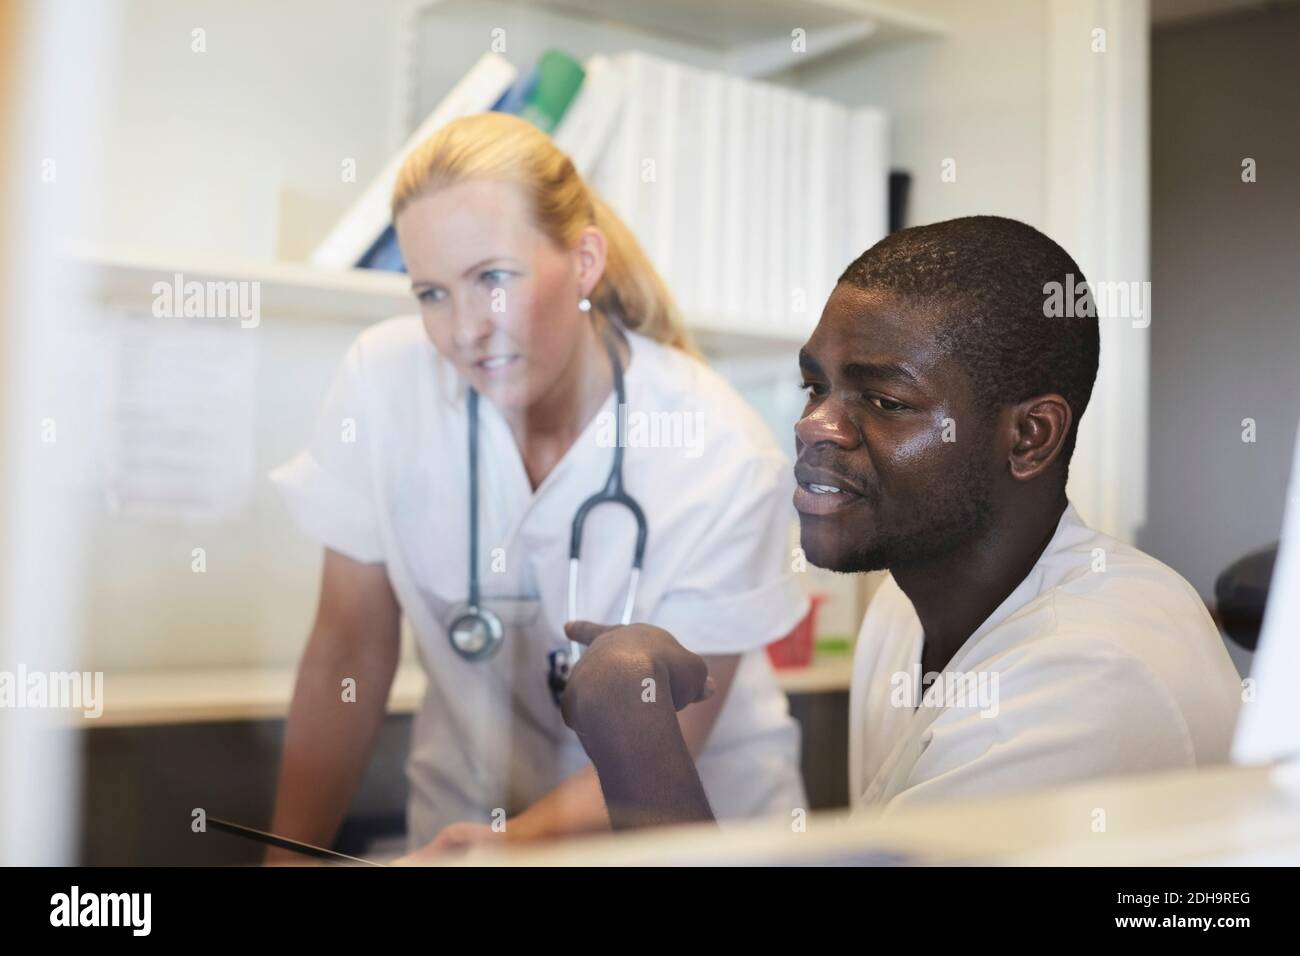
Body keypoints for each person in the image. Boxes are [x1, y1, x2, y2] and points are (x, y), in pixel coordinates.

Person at [559, 215, 1243, 829]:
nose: (812, 425)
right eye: (815, 387)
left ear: (1030, 436)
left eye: (885, 400)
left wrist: (633, 731)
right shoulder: (901, 607)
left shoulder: (1091, 677)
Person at [267, 112, 808, 859]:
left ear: (585, 260)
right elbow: (347, 649)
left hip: (675, 840)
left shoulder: (719, 448)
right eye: (430, 293)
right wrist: (286, 858)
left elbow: (667, 735)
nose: (462, 330)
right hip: (462, 822)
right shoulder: (382, 384)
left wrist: (505, 845)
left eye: (492, 279)